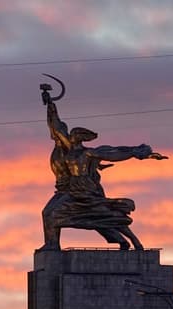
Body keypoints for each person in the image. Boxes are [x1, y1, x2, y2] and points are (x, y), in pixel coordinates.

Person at [40, 92, 166, 250]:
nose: (69, 137)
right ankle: (52, 245)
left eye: (73, 135)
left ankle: (133, 241)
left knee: (100, 215)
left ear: (78, 138)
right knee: (52, 213)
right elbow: (57, 127)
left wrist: (136, 152)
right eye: (69, 135)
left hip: (84, 191)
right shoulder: (68, 149)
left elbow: (113, 153)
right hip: (68, 189)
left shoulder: (88, 152)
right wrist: (51, 106)